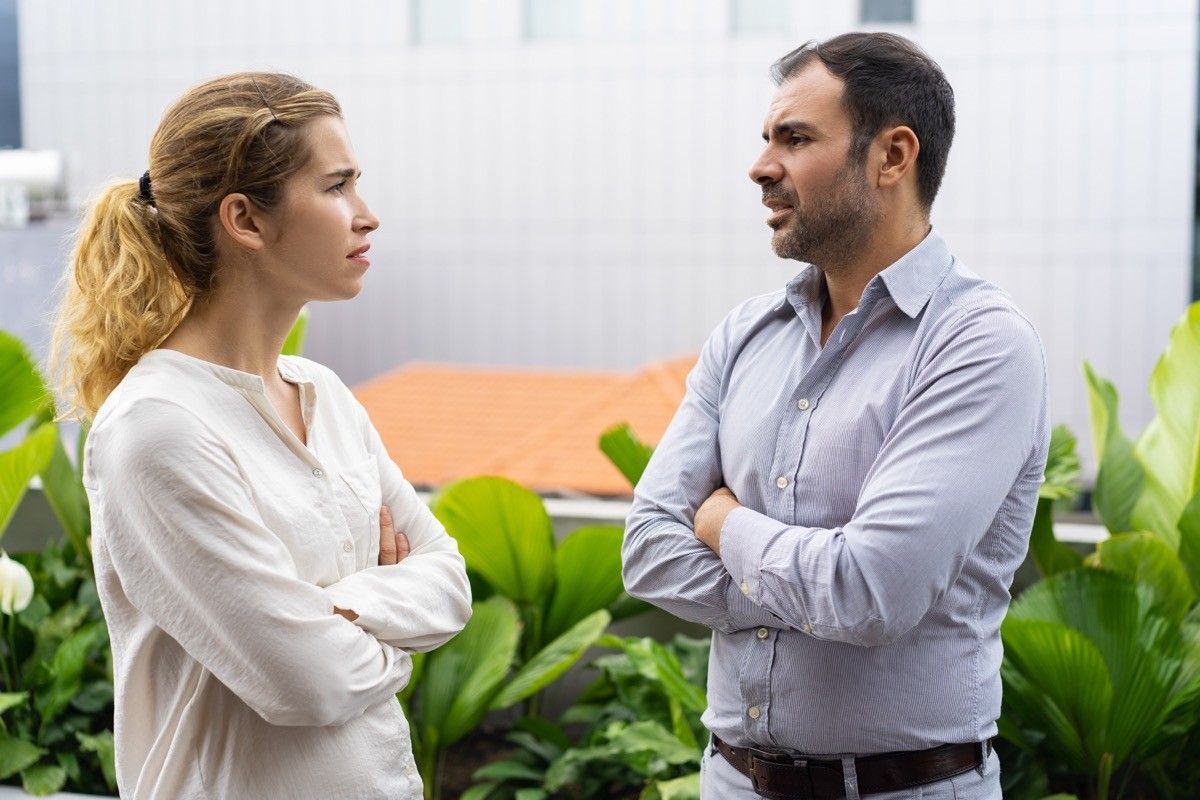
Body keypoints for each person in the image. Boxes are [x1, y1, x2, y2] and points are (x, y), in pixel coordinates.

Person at [622, 32, 1048, 800]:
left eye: (795, 138)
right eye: (766, 141)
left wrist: (722, 525)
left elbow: (871, 592)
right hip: (730, 781)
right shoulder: (744, 335)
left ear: (892, 157)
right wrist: (819, 589)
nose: (760, 168)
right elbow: (648, 550)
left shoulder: (981, 345)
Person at [51, 72, 472, 799]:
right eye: (336, 187)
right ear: (245, 220)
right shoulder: (157, 429)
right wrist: (390, 632)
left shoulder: (327, 396)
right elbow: (304, 682)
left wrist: (336, 610)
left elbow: (450, 583)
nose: (366, 216)